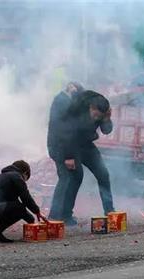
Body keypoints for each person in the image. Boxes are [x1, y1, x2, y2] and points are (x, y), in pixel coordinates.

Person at [55, 90, 115, 224]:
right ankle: (65, 215)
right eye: (95, 115)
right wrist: (69, 156)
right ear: (91, 107)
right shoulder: (76, 107)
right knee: (76, 177)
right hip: (71, 145)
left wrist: (107, 119)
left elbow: (106, 130)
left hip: (87, 144)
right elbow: (66, 133)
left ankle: (109, 211)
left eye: (99, 117)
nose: (96, 119)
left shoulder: (102, 111)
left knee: (103, 174)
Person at [47, 82, 84, 223]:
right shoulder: (62, 102)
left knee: (75, 177)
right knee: (66, 179)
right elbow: (65, 130)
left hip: (64, 148)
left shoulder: (64, 101)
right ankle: (57, 215)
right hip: (61, 149)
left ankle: (64, 213)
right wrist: (68, 156)